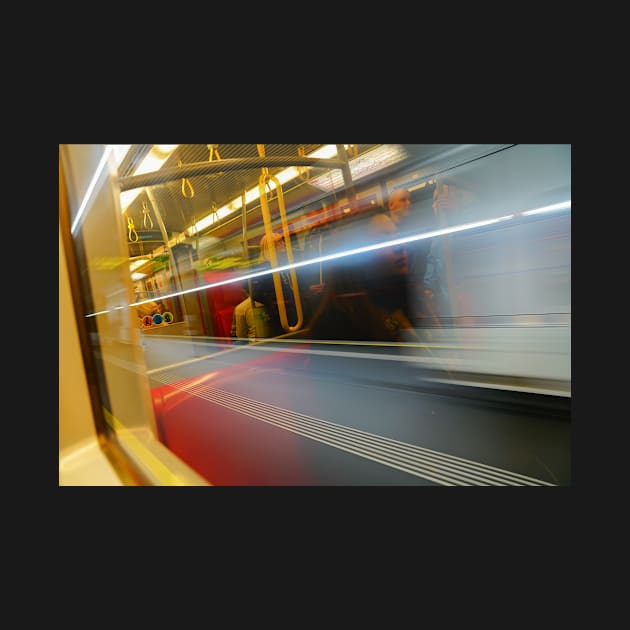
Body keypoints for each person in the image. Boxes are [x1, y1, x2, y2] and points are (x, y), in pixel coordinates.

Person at [308, 210, 418, 343]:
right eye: (384, 240)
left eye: (397, 236)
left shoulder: (402, 297)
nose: (401, 246)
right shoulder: (335, 325)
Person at [250, 232, 301, 337]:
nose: (283, 244)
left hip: (292, 309)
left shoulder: (282, 263)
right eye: (279, 242)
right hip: (279, 315)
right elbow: (256, 293)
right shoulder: (264, 267)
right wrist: (274, 301)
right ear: (271, 247)